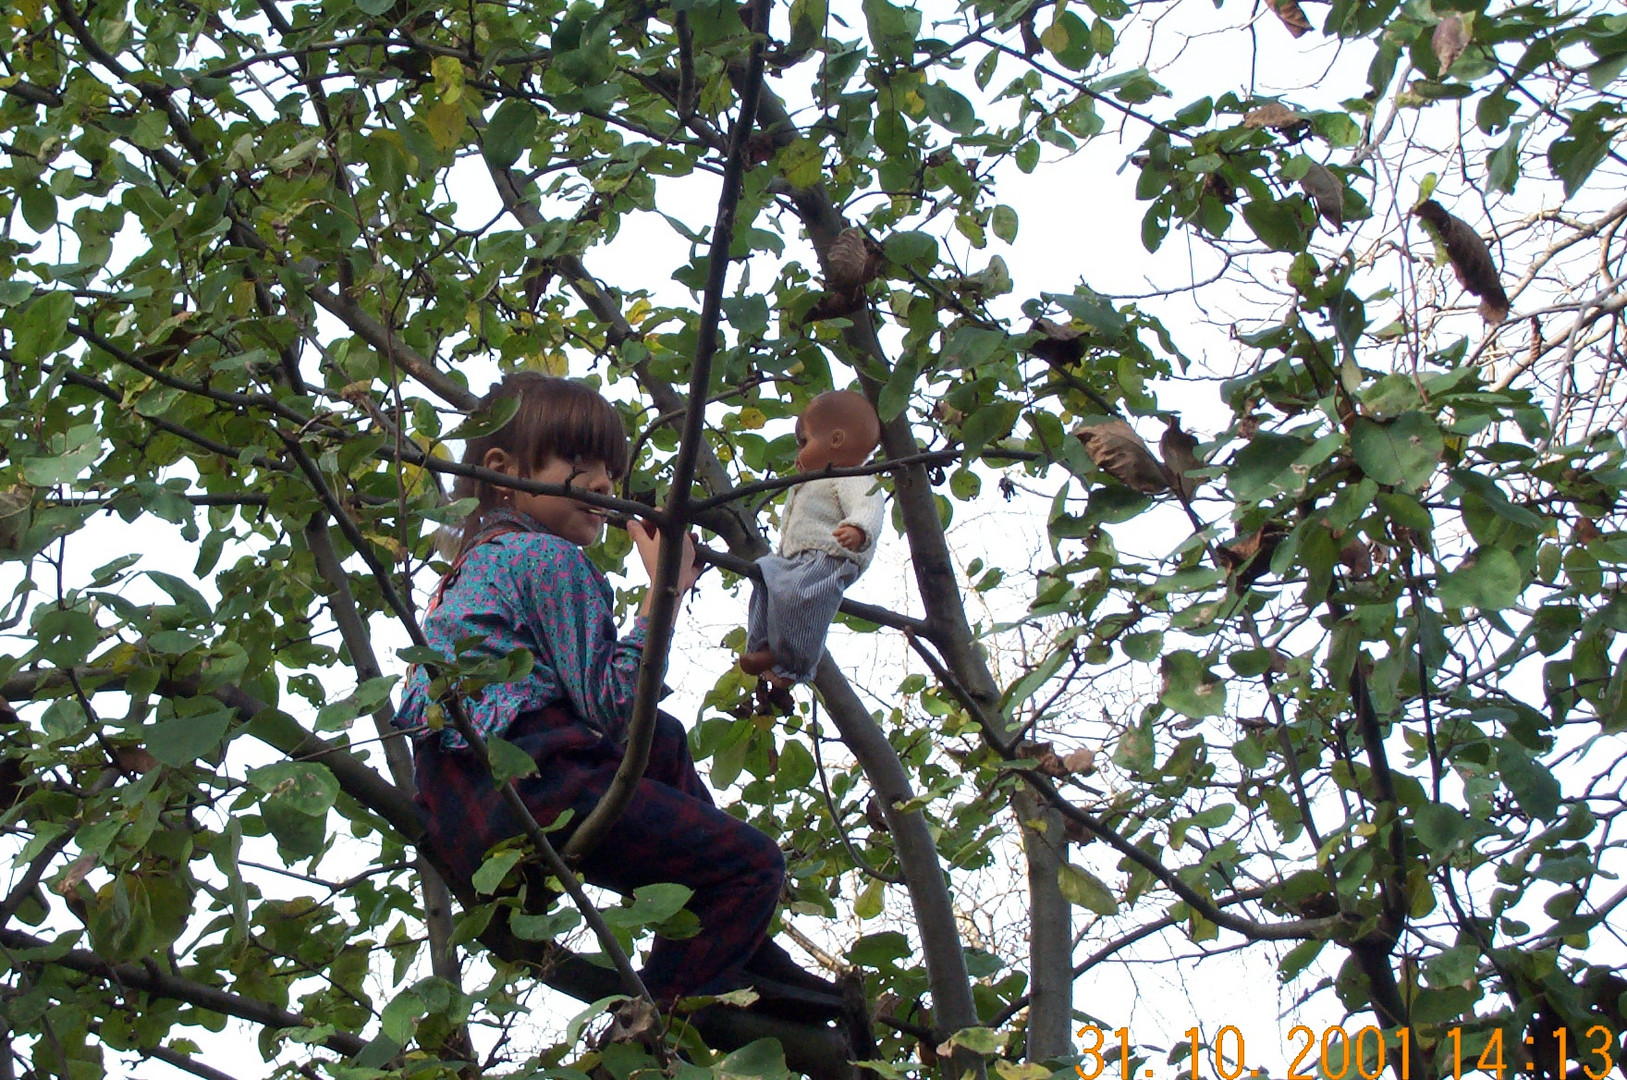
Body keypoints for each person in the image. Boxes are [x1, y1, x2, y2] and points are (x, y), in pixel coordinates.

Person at [396, 373, 830, 1008]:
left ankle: (743, 950)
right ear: (503, 469)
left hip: (465, 806)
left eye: (609, 468)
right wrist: (666, 590)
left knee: (667, 740)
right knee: (754, 866)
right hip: (532, 781)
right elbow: (615, 705)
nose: (604, 484)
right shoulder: (543, 559)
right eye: (579, 460)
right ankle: (660, 1012)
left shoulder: (470, 570)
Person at [741, 390, 885, 686]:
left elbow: (869, 505)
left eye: (804, 443)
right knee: (763, 578)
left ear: (835, 441)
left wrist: (858, 530)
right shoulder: (816, 479)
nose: (798, 453)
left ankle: (793, 662)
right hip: (796, 559)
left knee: (801, 598)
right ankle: (763, 645)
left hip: (829, 556)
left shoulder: (853, 477)